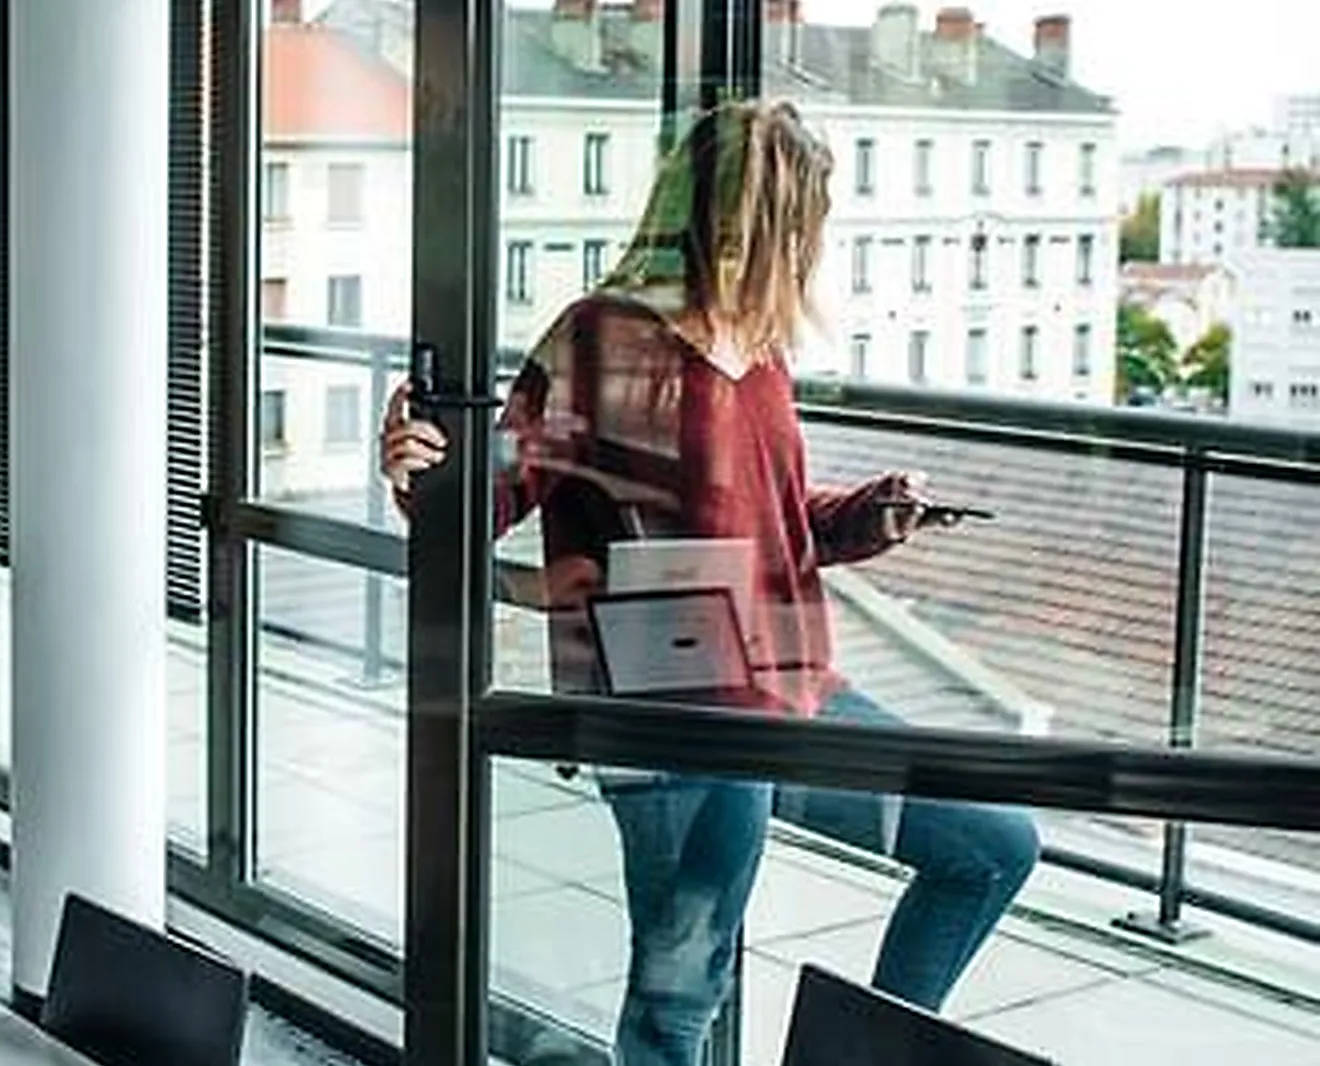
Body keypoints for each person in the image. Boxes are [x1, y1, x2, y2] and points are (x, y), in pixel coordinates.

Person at [380, 98, 1039, 1066]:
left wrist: (864, 514)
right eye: (799, 223)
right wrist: (414, 465)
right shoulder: (602, 339)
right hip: (672, 711)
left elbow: (761, 512)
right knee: (678, 998)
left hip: (791, 685)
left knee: (988, 847)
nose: (807, 249)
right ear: (748, 221)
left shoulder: (759, 349)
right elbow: (488, 498)